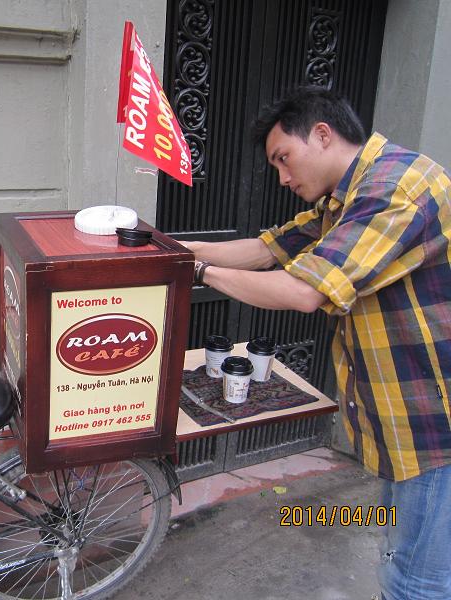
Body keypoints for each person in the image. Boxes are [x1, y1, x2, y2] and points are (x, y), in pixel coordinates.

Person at [185, 86, 451, 600]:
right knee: (401, 556)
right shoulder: (344, 200)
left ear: (323, 134)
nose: (283, 179)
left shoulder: (398, 187)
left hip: (434, 421)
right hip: (401, 417)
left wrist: (198, 272)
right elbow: (268, 250)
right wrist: (176, 250)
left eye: (283, 158)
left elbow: (304, 291)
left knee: (417, 581)